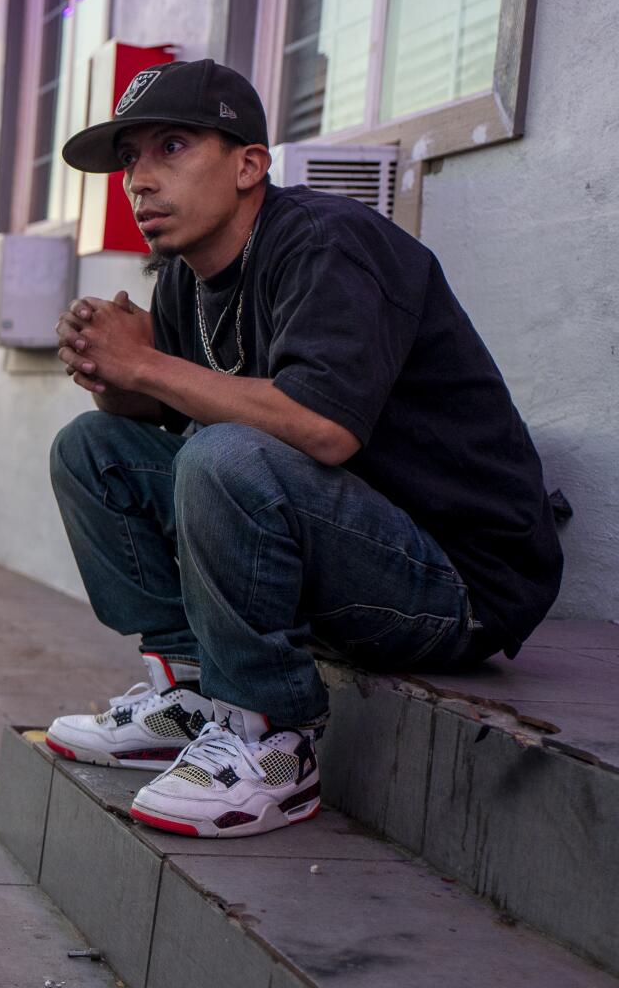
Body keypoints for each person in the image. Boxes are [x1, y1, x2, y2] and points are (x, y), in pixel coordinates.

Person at [42, 58, 561, 838]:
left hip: (458, 585)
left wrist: (146, 361)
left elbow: (322, 426)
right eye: (129, 160)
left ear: (250, 163)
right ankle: (188, 692)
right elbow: (184, 418)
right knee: (93, 447)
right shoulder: (185, 278)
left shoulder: (330, 244)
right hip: (346, 549)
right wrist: (114, 380)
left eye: (171, 147)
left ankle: (270, 742)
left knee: (225, 457)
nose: (139, 180)